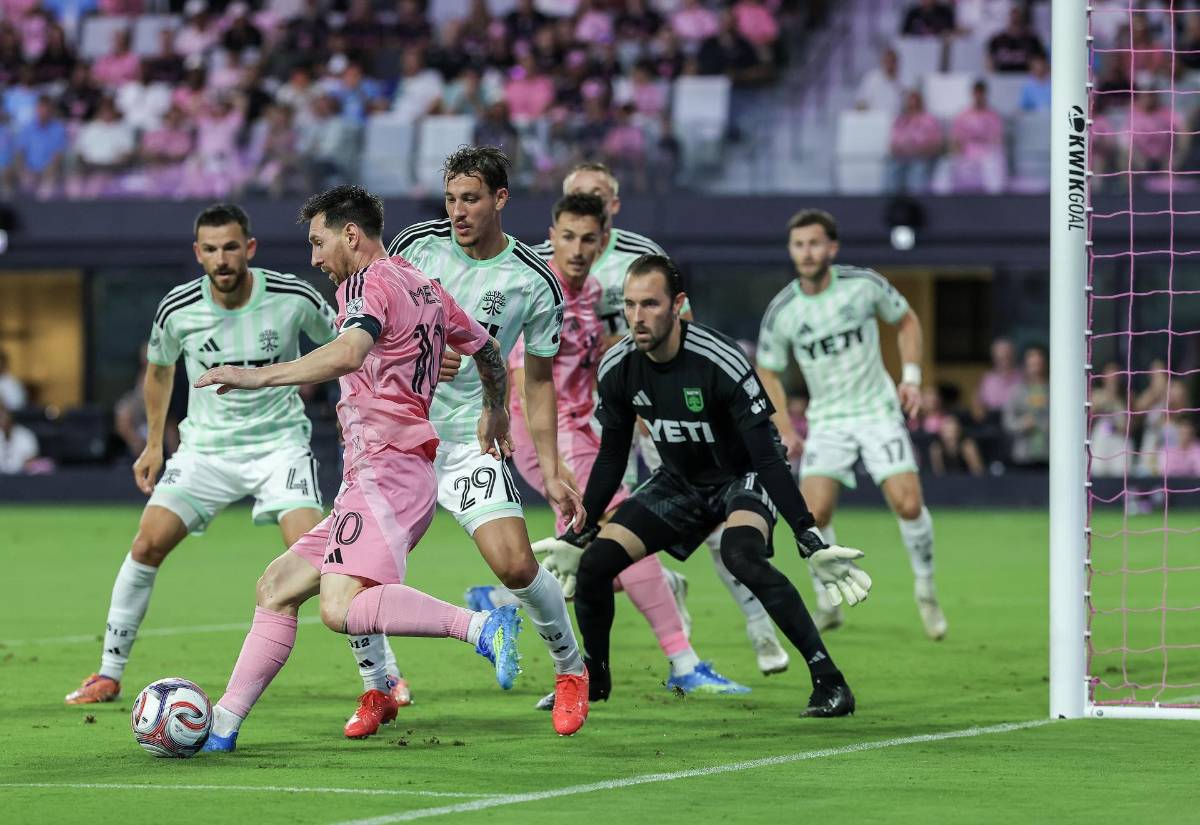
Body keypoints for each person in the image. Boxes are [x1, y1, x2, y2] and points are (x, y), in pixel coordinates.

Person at [197, 185, 532, 752]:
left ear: (350, 234)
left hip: (388, 472)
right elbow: (489, 352)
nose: (314, 257)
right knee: (276, 587)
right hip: (381, 473)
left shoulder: (368, 283)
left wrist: (253, 374)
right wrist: (495, 409)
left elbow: (350, 352)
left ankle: (481, 626)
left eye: (318, 242)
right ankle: (223, 728)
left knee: (338, 608)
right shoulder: (424, 285)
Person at [555, 254, 869, 716]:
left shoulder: (719, 361)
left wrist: (807, 535)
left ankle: (830, 681)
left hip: (740, 478)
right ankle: (594, 680)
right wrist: (579, 532)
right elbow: (612, 455)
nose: (638, 318)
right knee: (596, 564)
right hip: (679, 482)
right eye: (631, 305)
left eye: (651, 304)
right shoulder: (619, 366)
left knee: (743, 556)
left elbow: (766, 454)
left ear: (678, 305)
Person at [470, 192, 749, 706]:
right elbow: (524, 380)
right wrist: (553, 463)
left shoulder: (596, 290)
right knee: (619, 531)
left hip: (586, 430)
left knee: (597, 559)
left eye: (588, 239)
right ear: (551, 235)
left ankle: (504, 600)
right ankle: (679, 663)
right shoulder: (531, 285)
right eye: (568, 236)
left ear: (603, 244)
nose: (577, 249)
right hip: (548, 434)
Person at [63, 204, 350, 706]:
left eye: (232, 247)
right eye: (212, 249)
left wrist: (357, 415)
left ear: (250, 248)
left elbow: (348, 348)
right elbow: (158, 369)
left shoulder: (292, 296)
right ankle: (108, 673)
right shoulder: (177, 308)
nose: (222, 258)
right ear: (198, 254)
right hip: (206, 452)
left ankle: (382, 679)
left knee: (322, 559)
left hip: (278, 446)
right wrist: (154, 443)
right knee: (148, 544)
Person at [528, 161, 791, 675]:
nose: (588, 202)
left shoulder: (641, 257)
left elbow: (680, 329)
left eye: (598, 196)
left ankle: (759, 627)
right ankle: (658, 602)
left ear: (613, 207)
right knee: (603, 529)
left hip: (650, 410)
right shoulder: (543, 263)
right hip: (586, 420)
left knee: (714, 516)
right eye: (577, 195)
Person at [384, 146, 590, 736]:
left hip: (472, 439)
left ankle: (570, 673)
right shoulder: (415, 246)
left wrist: (551, 468)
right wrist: (416, 351)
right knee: (362, 572)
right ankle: (378, 688)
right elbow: (372, 324)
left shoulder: (533, 279)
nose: (457, 212)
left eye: (470, 199)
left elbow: (542, 381)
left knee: (516, 565)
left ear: (500, 199)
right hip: (401, 438)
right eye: (450, 199)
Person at [756, 209, 948, 641]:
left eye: (814, 243)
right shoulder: (783, 310)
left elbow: (906, 320)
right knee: (813, 514)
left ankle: (925, 588)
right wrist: (785, 425)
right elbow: (767, 370)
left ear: (832, 248)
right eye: (799, 245)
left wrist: (912, 379)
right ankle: (828, 600)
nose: (807, 252)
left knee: (908, 504)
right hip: (828, 420)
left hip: (877, 410)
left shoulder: (863, 285)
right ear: (791, 251)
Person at [0, 402, 38, 474]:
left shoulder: (25, 435)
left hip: (21, 476)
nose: (2, 421)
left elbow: (30, 459)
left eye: (4, 417)